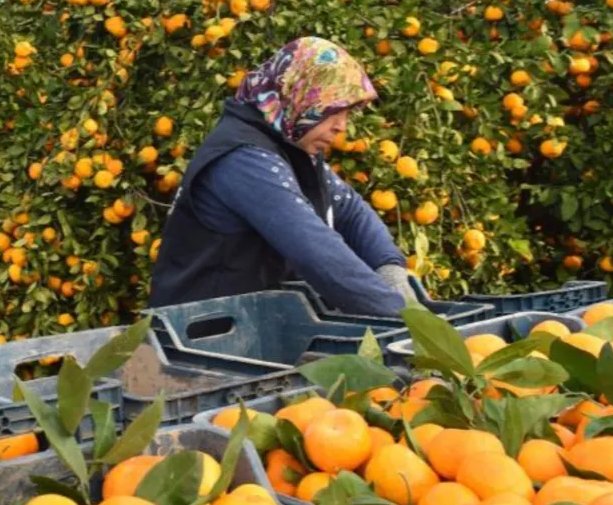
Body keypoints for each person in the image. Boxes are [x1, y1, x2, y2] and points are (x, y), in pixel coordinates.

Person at [149, 37, 416, 315]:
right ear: (301, 95)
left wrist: (390, 268)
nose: (341, 127)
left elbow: (351, 210)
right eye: (333, 111)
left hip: (250, 325)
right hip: (201, 334)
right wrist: (408, 318)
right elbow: (316, 251)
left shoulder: (290, 148)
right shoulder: (243, 159)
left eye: (348, 114)